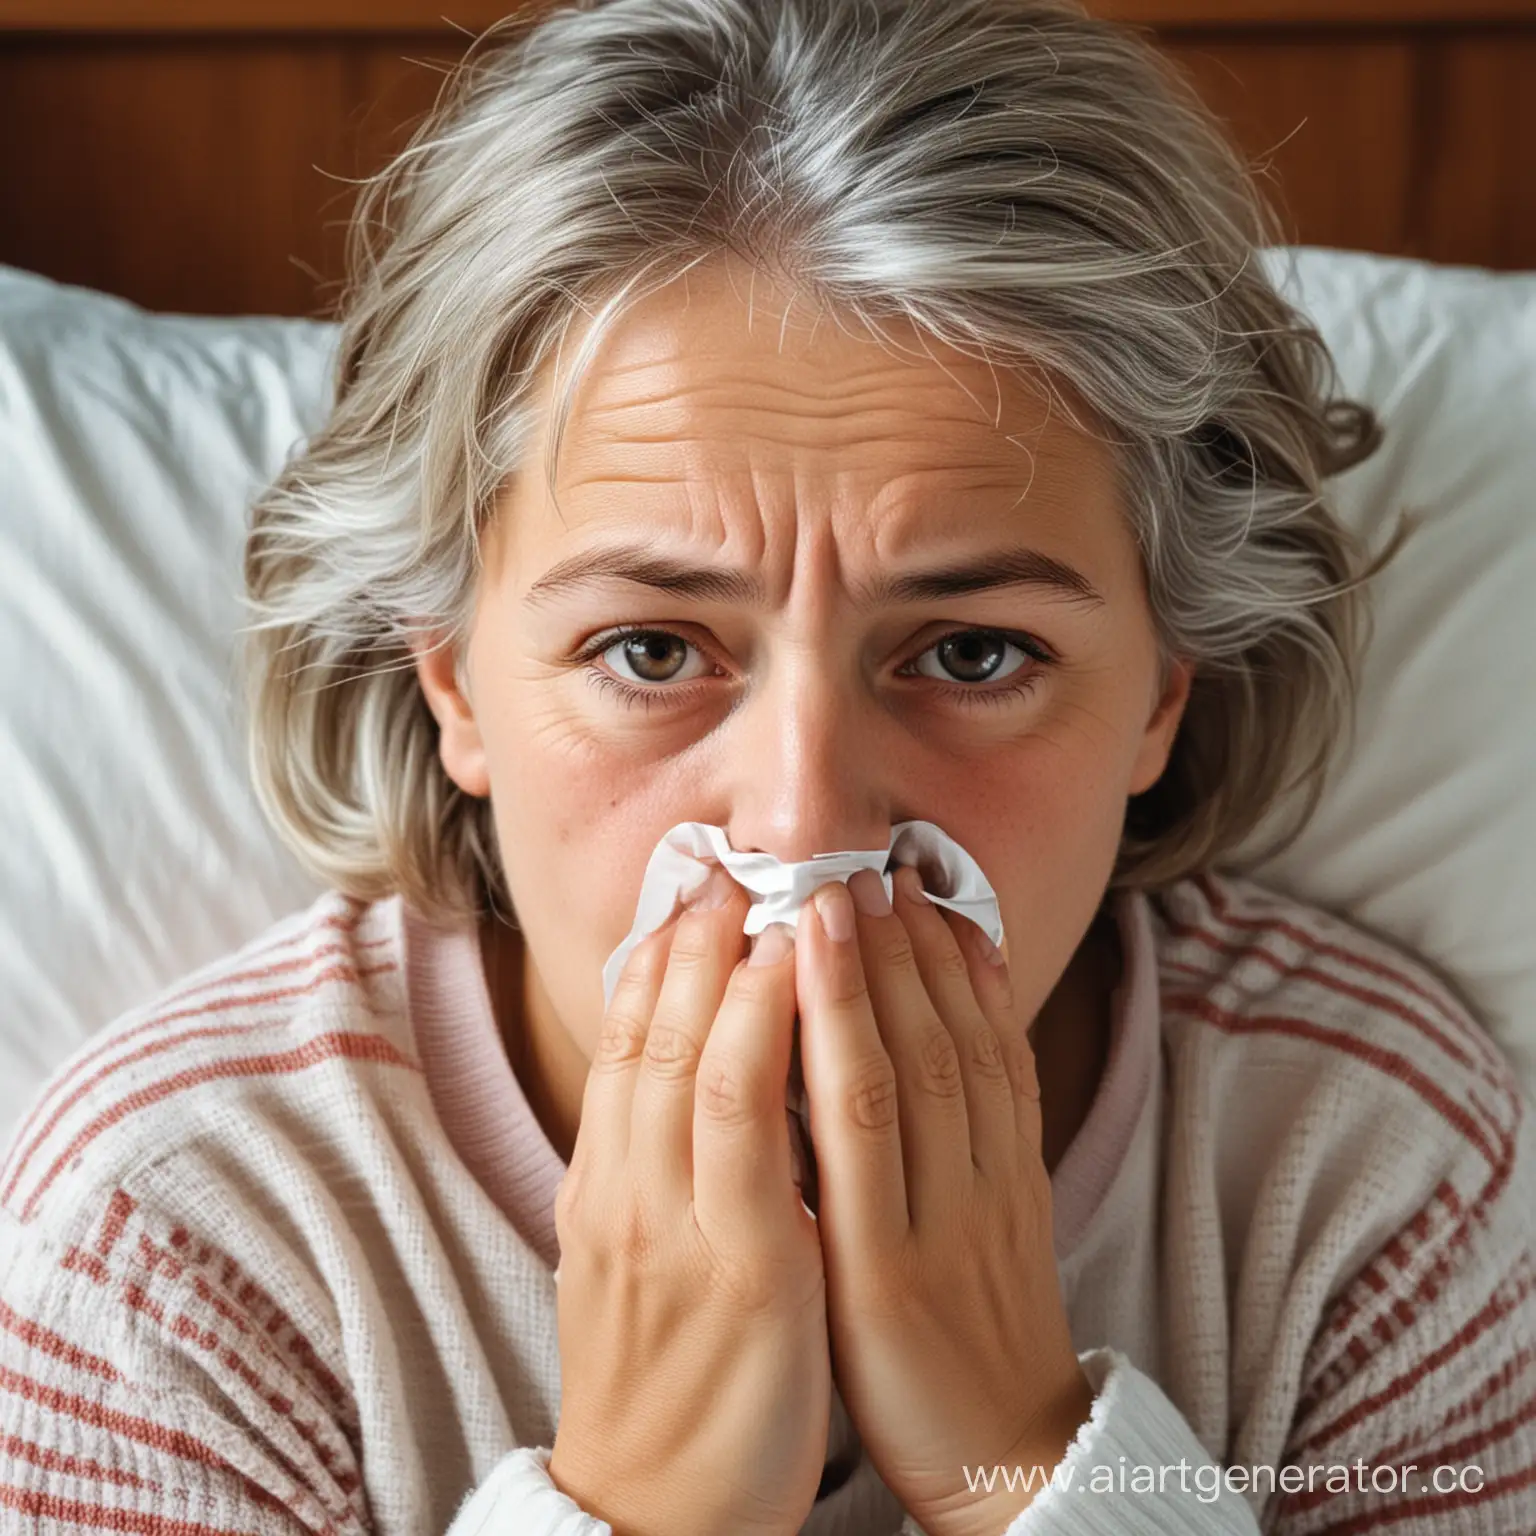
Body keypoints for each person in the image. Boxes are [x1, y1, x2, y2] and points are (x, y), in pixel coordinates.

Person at [1, 0, 1531, 1531]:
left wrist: (1031, 1452)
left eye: (973, 653)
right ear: (453, 677)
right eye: (653, 652)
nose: (804, 828)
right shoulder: (174, 1250)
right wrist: (642, 1507)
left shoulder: (1372, 1181)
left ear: (1163, 692)